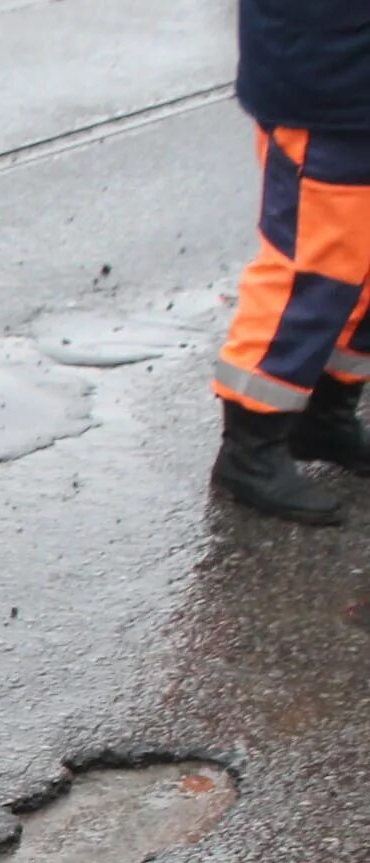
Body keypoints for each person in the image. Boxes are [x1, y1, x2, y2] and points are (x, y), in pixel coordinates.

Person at [210, 0, 370, 524]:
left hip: (342, 75)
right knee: (312, 271)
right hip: (330, 82)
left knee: (359, 269)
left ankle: (326, 413)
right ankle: (250, 446)